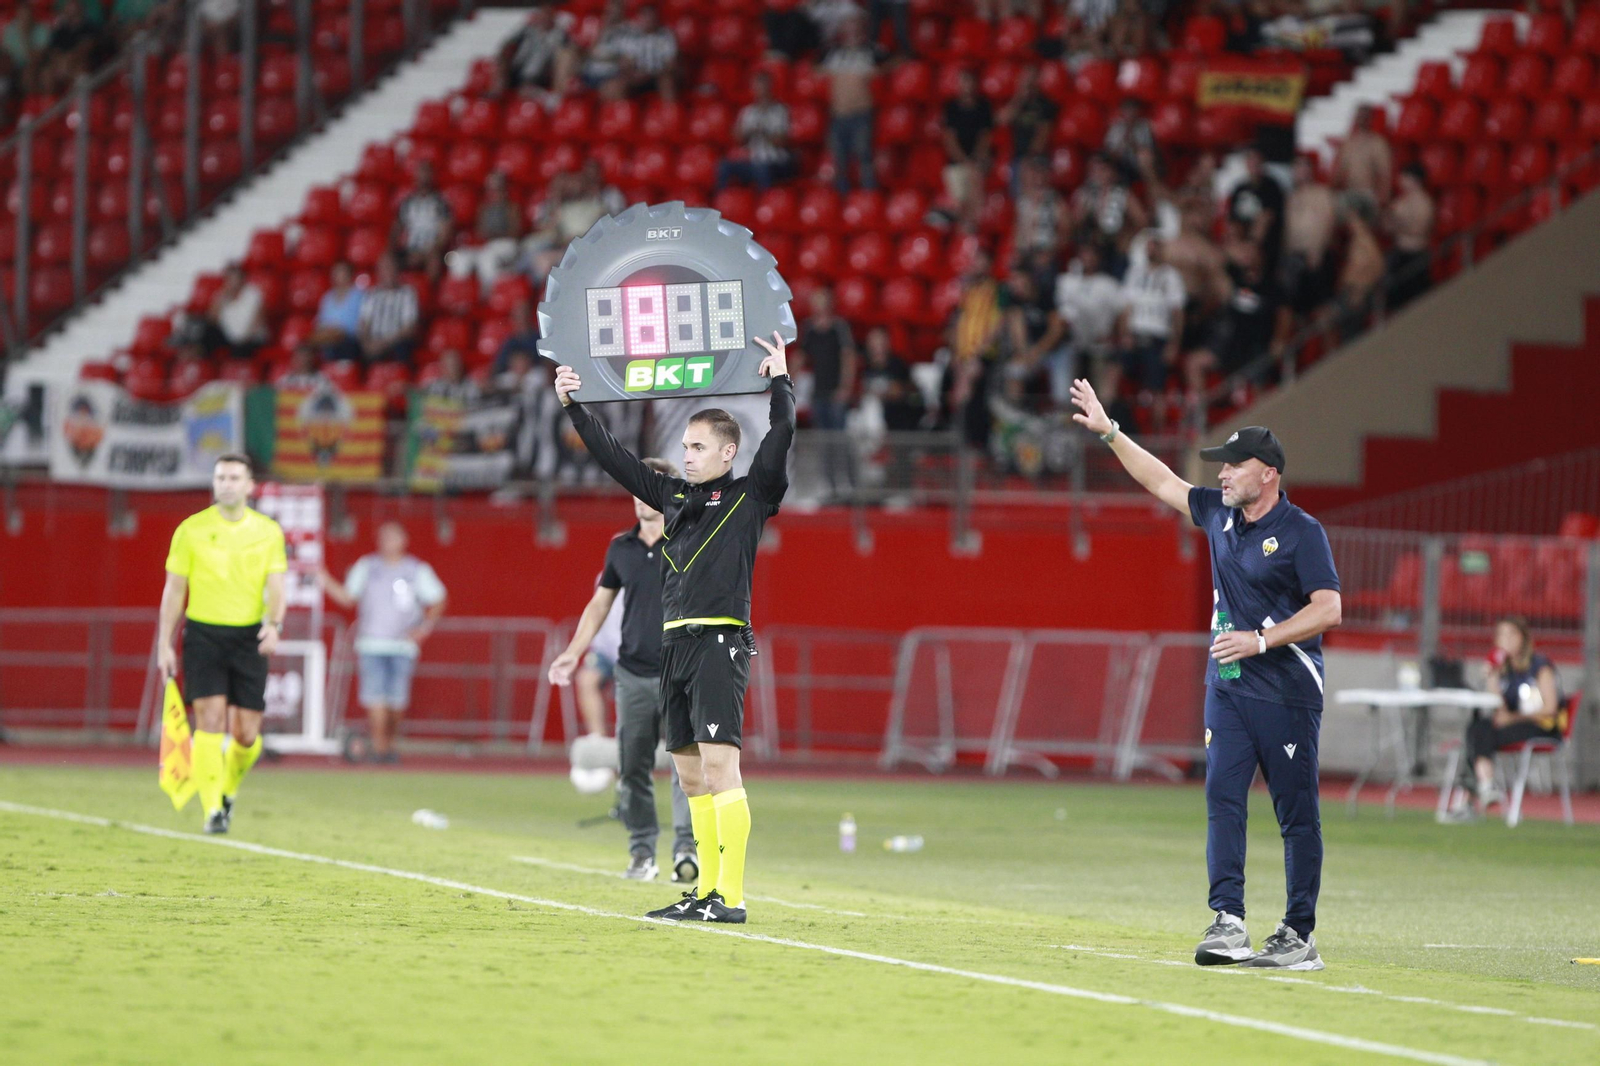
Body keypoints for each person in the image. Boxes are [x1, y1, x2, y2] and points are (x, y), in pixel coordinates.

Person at [1068, 390, 1341, 971]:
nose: (1222, 473)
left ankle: (1298, 933)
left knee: (1296, 813)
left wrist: (1262, 640)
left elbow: (1329, 609)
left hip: (1287, 689)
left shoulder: (1302, 531)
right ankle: (1229, 921)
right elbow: (1162, 481)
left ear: (1268, 474)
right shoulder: (1219, 513)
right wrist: (1110, 431)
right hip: (1229, 685)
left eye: (1234, 464)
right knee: (1223, 798)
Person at [553, 331, 794, 923]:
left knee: (720, 769)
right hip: (674, 647)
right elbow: (615, 458)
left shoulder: (749, 496)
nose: (686, 455)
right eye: (684, 445)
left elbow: (781, 438)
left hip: (717, 641)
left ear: (728, 454)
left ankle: (729, 897)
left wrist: (781, 383)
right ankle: (704, 892)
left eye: (698, 446)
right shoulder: (672, 496)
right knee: (688, 776)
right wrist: (574, 407)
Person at [549, 457, 698, 883]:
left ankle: (687, 848)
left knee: (686, 765)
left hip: (680, 670)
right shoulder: (622, 547)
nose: (638, 499)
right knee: (633, 768)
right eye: (634, 489)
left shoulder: (691, 540)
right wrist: (572, 652)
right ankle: (641, 852)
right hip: (632, 673)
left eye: (646, 489)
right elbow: (599, 604)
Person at [156, 454, 287, 834]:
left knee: (247, 734)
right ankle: (212, 809)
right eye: (220, 477)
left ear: (249, 486)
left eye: (234, 477)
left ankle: (227, 790)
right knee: (210, 720)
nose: (226, 483)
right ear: (213, 483)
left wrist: (274, 625)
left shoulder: (268, 532)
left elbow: (276, 585)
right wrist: (165, 642)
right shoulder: (190, 530)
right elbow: (174, 589)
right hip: (203, 635)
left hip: (248, 637)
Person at [319, 522, 447, 763]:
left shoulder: (416, 569)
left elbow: (438, 598)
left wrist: (424, 628)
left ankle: (390, 742)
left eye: (392, 537)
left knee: (396, 700)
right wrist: (323, 578)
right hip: (371, 643)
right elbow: (347, 597)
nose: (387, 542)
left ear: (404, 540)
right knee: (375, 697)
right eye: (383, 537)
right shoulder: (367, 567)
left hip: (403, 645)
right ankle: (379, 749)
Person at [1453, 616, 1565, 817]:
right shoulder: (1504, 669)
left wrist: (1512, 718)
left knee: (1480, 732)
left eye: (1511, 634)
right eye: (1501, 635)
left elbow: (1550, 708)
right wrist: (1492, 678)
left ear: (1523, 638)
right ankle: (1485, 785)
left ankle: (1474, 796)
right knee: (1478, 728)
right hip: (1512, 726)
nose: (1506, 640)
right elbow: (1499, 710)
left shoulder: (1539, 666)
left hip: (1540, 726)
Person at [822, 16, 877, 193]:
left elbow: (891, 63)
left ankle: (869, 199)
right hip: (838, 115)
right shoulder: (835, 55)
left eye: (855, 29)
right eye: (848, 29)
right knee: (840, 160)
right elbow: (818, 70)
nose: (851, 33)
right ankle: (842, 202)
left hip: (860, 114)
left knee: (864, 158)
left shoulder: (869, 53)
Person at [715, 71, 795, 192]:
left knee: (762, 168)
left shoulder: (781, 110)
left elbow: (783, 142)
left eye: (763, 87)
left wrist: (764, 132)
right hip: (754, 162)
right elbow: (738, 140)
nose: (760, 91)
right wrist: (746, 133)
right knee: (724, 166)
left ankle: (764, 205)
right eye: (757, 87)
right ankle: (719, 202)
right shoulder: (748, 112)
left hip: (777, 163)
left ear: (770, 88)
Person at [941, 68, 993, 229]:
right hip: (957, 163)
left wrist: (975, 160)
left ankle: (973, 230)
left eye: (970, 82)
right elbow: (949, 139)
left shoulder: (983, 106)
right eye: (964, 82)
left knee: (976, 200)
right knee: (959, 201)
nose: (967, 86)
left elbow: (985, 136)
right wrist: (965, 161)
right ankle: (961, 233)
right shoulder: (951, 107)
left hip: (979, 161)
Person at [1383, 164, 1434, 312]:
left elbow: (1420, 229)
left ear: (1414, 179)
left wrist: (1398, 225)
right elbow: (1386, 225)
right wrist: (1401, 225)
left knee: (1416, 299)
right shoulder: (1400, 202)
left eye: (1404, 177)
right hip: (1399, 253)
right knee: (1395, 300)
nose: (1401, 180)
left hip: (1416, 253)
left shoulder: (1424, 202)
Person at [392, 160, 454, 279]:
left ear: (432, 176)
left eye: (426, 173)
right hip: (410, 249)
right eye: (420, 173)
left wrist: (430, 250)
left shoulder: (440, 203)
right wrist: (392, 247)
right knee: (387, 258)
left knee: (434, 259)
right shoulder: (407, 203)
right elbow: (397, 228)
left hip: (432, 249)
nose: (423, 177)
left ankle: (430, 293)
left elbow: (445, 232)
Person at [358, 253, 419, 366]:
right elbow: (364, 324)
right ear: (379, 272)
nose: (389, 273)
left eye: (391, 268)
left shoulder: (407, 293)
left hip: (396, 341)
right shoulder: (371, 294)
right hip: (374, 341)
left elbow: (409, 328)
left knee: (403, 347)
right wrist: (366, 344)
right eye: (385, 269)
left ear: (397, 271)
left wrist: (385, 342)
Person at [1333, 105, 1392, 210]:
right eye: (1360, 116)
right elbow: (1339, 173)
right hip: (1349, 193)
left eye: (1365, 116)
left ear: (1371, 118)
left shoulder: (1378, 143)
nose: (1362, 119)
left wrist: (1382, 201)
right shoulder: (1348, 143)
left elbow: (1385, 174)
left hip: (1368, 196)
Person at [206, 265, 267, 360]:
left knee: (240, 349)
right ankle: (203, 369)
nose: (232, 282)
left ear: (242, 279)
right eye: (229, 279)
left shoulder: (253, 295)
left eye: (235, 278)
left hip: (250, 337)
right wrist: (220, 300)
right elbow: (211, 319)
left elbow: (257, 322)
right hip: (230, 336)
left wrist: (243, 339)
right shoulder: (221, 295)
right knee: (207, 334)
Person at [310, 261, 364, 363]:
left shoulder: (358, 296)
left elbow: (356, 324)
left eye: (341, 272)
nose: (337, 276)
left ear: (349, 274)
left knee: (343, 345)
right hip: (328, 339)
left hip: (349, 340)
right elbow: (320, 321)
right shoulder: (327, 297)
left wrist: (337, 331)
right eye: (335, 273)